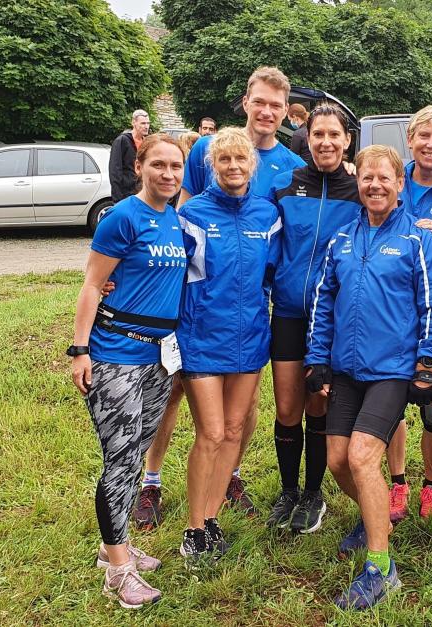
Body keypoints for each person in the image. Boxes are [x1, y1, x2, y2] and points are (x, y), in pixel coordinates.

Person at [132, 66, 304, 528]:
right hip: (200, 308)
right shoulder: (205, 149)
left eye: (275, 105)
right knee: (173, 394)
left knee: (240, 414)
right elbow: (178, 213)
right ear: (246, 102)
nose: (266, 111)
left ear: (285, 112)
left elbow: (293, 235)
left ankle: (229, 479)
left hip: (248, 316)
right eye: (259, 101)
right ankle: (151, 480)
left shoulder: (290, 165)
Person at [305, 145, 432, 610]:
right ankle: (376, 519)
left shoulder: (419, 241)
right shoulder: (342, 240)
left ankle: (380, 568)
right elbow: (323, 302)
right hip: (346, 370)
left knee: (362, 457)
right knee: (337, 461)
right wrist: (317, 359)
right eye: (367, 177)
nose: (375, 185)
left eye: (384, 178)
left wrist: (428, 362)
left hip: (392, 370)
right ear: (359, 183)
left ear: (399, 184)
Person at [69, 133, 186, 608]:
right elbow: (92, 284)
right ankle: (119, 572)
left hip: (159, 357)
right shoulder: (122, 217)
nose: (168, 174)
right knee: (120, 460)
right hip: (116, 354)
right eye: (158, 164)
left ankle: (112, 545)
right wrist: (80, 350)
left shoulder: (175, 218)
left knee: (135, 454)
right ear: (139, 167)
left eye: (176, 166)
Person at [177, 127, 282, 564]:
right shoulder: (192, 213)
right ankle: (192, 528)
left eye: (241, 159)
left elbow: (274, 275)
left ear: (251, 165)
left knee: (235, 431)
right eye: (225, 160)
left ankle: (212, 517)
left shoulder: (267, 215)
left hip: (250, 338)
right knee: (212, 433)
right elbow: (166, 268)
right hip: (202, 337)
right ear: (212, 165)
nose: (234, 166)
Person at [266, 103, 360, 533]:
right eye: (318, 134)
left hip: (333, 320)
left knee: (317, 404)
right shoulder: (285, 186)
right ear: (308, 138)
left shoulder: (358, 190)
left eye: (333, 134)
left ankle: (313, 493)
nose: (325, 142)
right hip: (288, 312)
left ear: (347, 141)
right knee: (288, 407)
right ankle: (289, 490)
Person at [385, 105, 432, 522]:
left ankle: (431, 484)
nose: (431, 144)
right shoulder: (394, 180)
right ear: (409, 140)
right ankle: (398, 483)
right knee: (392, 403)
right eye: (424, 136)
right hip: (391, 315)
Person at [109, 109, 150, 202]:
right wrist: (118, 199)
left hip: (143, 192)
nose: (146, 126)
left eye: (148, 123)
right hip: (126, 194)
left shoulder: (146, 142)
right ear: (133, 123)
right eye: (143, 123)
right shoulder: (122, 141)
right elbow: (115, 170)